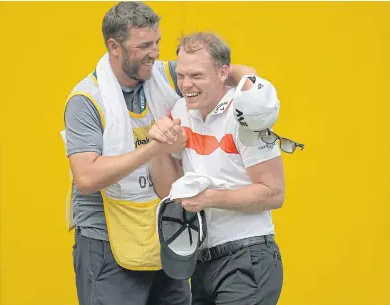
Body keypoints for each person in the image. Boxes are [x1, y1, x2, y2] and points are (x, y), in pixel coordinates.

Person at [61, 2, 257, 304]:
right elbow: (86, 177)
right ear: (114, 46)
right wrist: (156, 148)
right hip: (106, 242)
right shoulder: (87, 100)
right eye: (144, 46)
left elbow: (231, 73)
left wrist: (254, 90)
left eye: (157, 42)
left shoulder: (165, 75)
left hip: (167, 231)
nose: (154, 52)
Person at [149, 32, 285, 305]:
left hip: (247, 257)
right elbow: (168, 190)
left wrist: (209, 199)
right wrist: (160, 147)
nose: (186, 84)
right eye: (182, 76)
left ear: (223, 72)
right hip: (200, 264)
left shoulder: (246, 114)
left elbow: (274, 193)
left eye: (197, 76)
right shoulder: (180, 110)